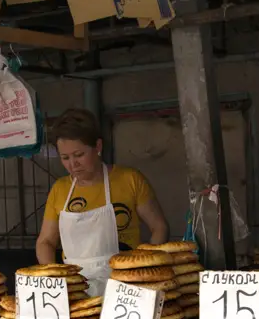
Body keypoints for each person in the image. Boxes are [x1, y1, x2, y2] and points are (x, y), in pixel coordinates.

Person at [36, 109, 169, 296]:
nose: (73, 164)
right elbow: (46, 241)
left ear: (98, 147)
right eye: (65, 158)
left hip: (124, 286)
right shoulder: (60, 189)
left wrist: (142, 269)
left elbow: (159, 227)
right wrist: (55, 281)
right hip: (75, 288)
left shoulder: (129, 179)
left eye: (79, 155)